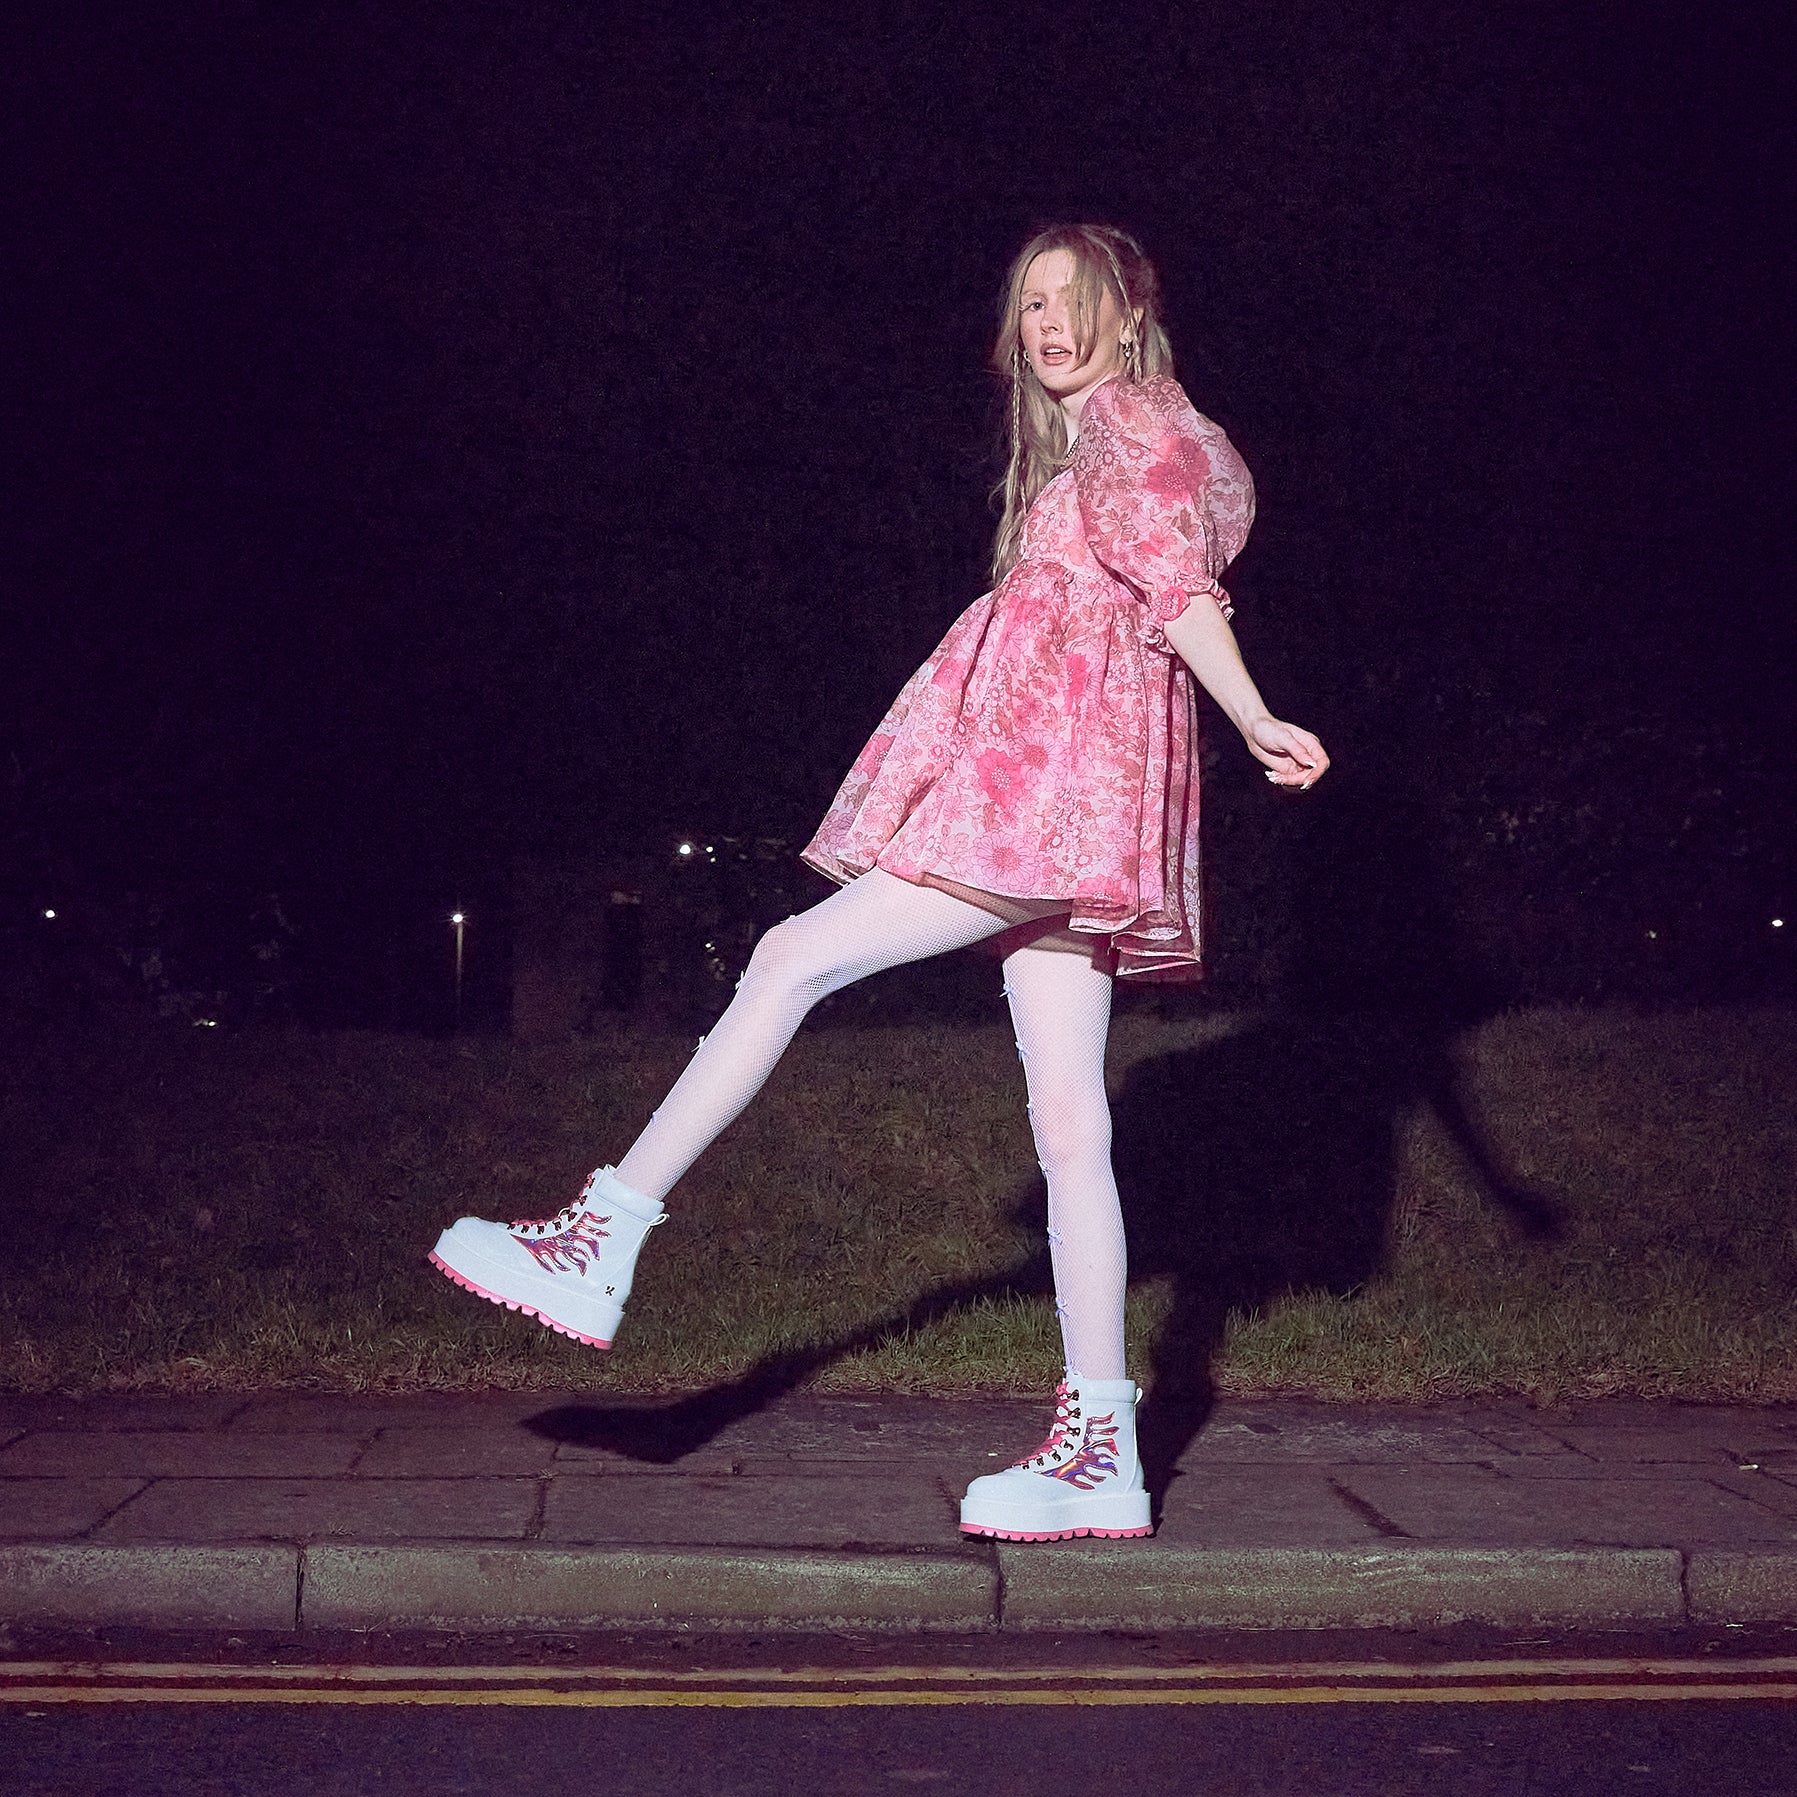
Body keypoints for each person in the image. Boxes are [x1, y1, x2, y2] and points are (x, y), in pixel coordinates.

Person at [429, 223, 1329, 1541]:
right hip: (1070, 798)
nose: (1047, 323)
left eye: (1073, 299)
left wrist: (1252, 717)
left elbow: (1178, 586)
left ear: (1130, 314)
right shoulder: (1142, 434)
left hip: (1042, 799)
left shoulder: (1130, 422)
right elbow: (1173, 565)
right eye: (1029, 303)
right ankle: (1103, 1450)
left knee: (792, 959)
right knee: (1073, 1128)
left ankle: (600, 1235)